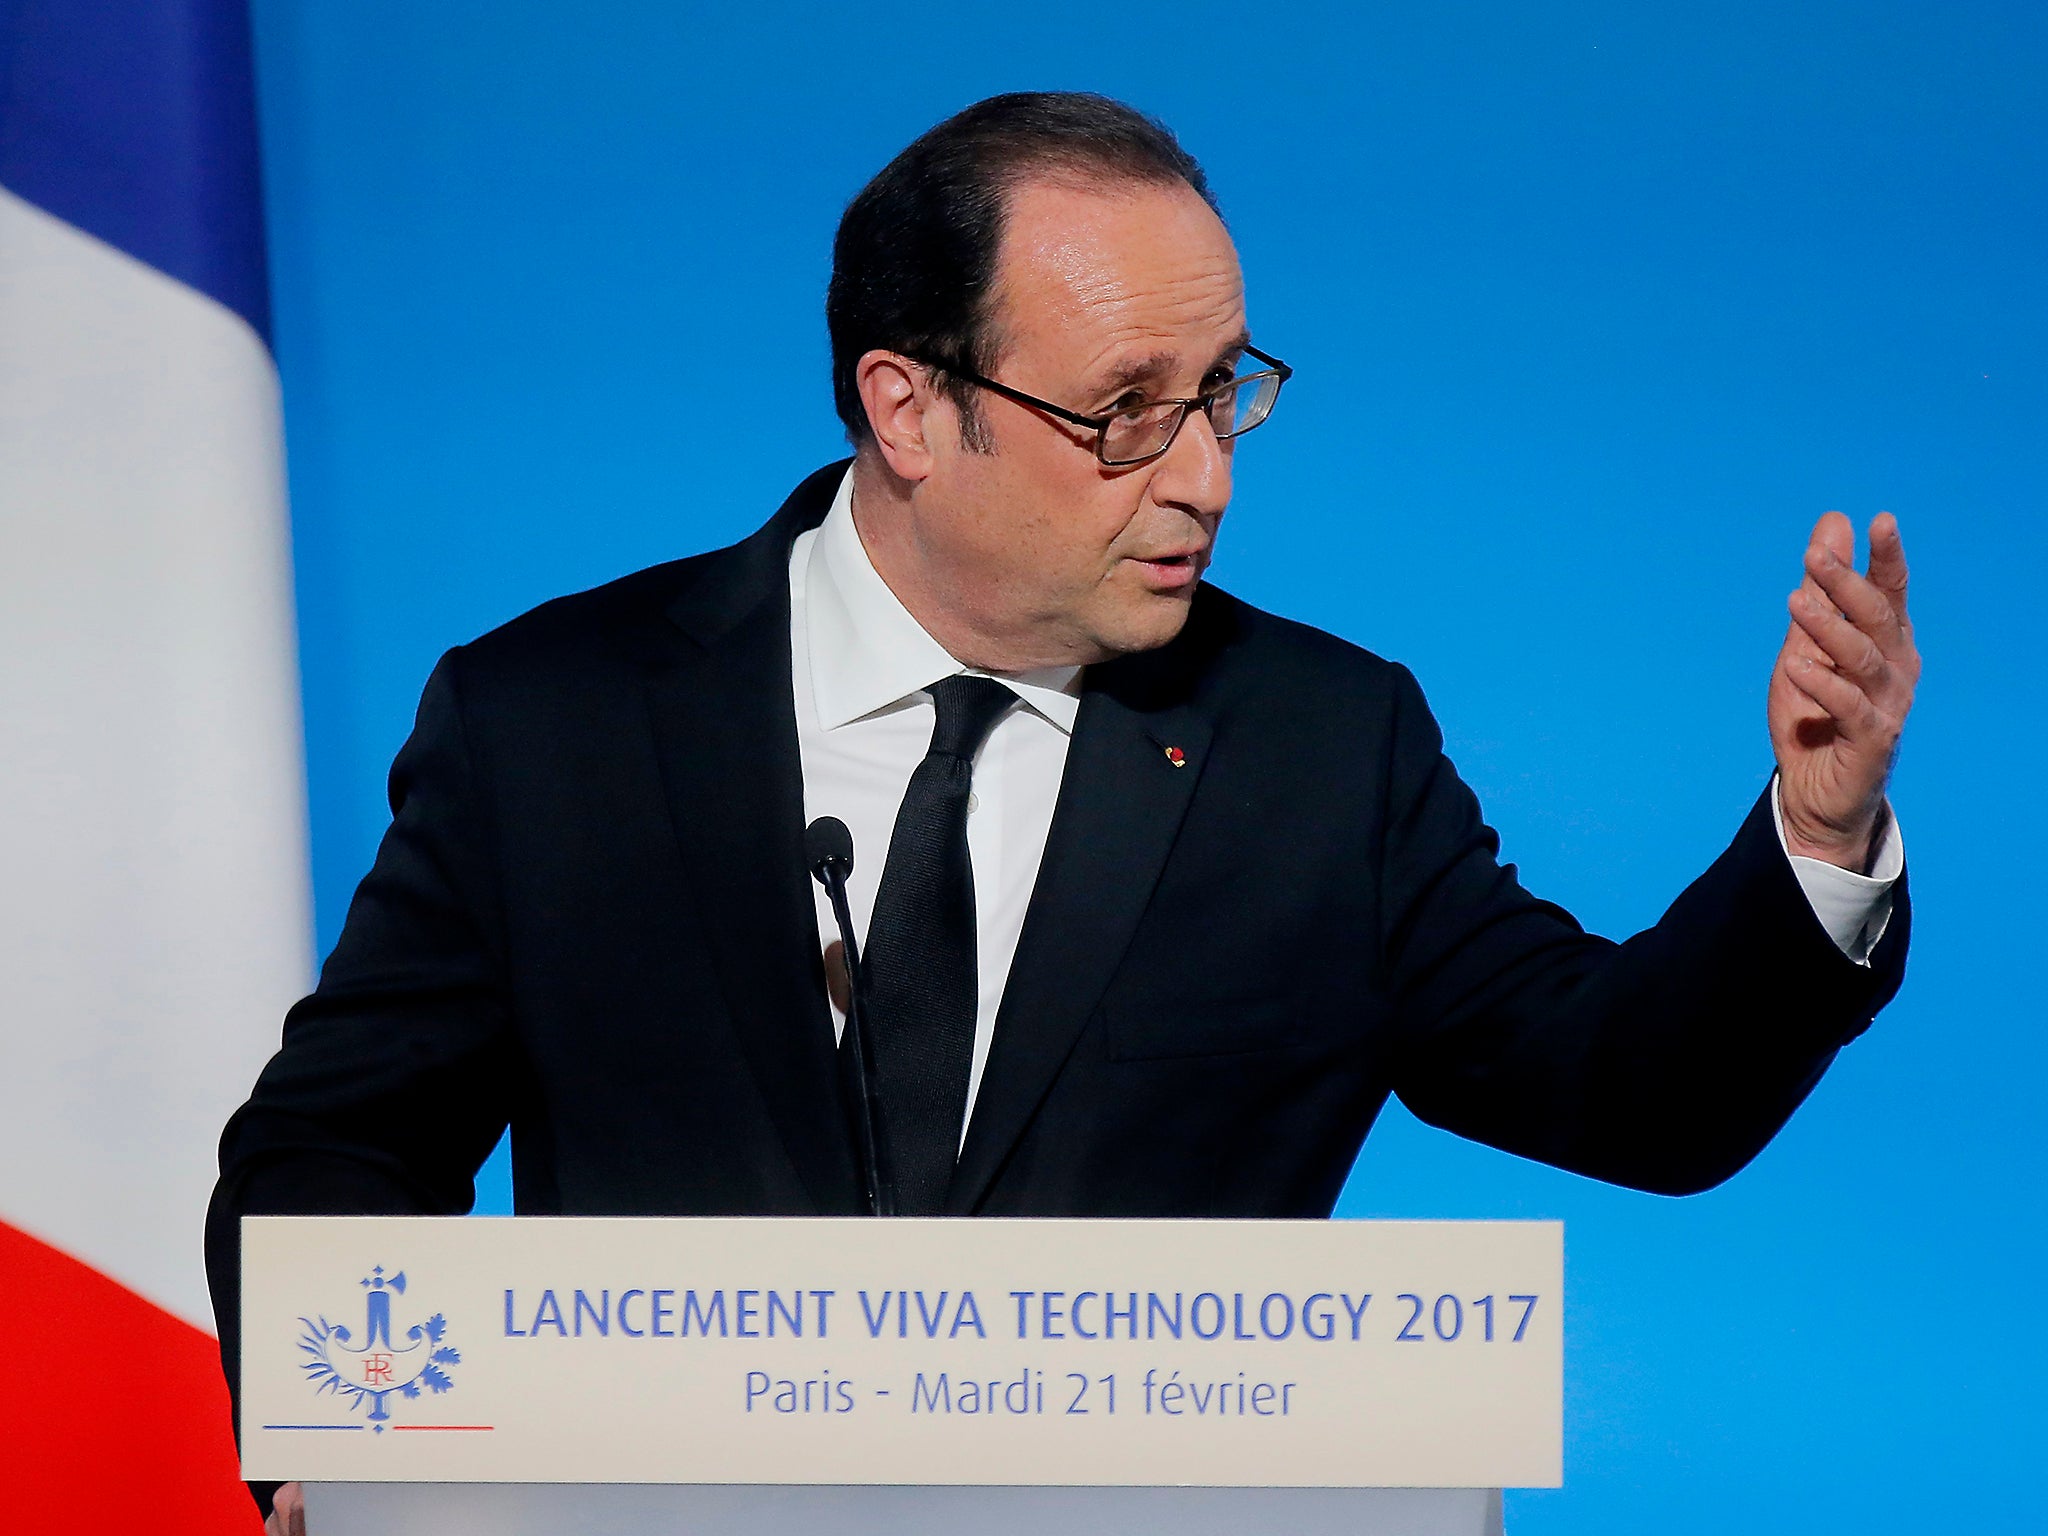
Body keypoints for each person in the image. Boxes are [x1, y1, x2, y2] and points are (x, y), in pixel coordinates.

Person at [211, 92, 1916, 1533]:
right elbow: (338, 1145)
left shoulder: (1321, 746)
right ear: (907, 408)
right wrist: (331, 1436)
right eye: (1123, 410)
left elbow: (1633, 1092)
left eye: (1223, 390)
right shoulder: (556, 723)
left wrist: (1820, 836)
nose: (1204, 473)